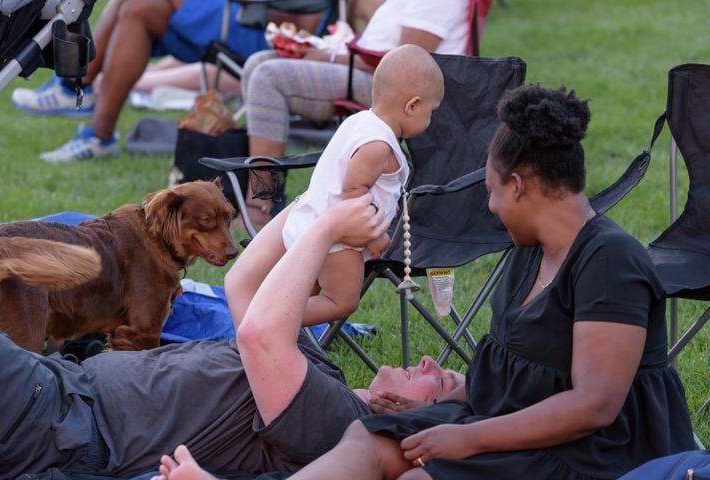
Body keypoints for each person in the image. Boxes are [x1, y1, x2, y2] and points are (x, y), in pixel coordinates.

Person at [154, 86, 697, 480]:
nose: (489, 205)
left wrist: (467, 436)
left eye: (492, 191)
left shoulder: (609, 259)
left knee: (422, 475)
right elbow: (523, 371)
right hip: (512, 424)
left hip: (597, 450)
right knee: (373, 438)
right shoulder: (528, 255)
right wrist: (456, 394)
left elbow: (594, 406)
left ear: (520, 185)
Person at [0, 194, 464, 480]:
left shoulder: (341, 421)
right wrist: (317, 200)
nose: (428, 360)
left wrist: (326, 230)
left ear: (414, 419)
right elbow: (243, 290)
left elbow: (260, 336)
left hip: (59, 423)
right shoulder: (325, 374)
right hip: (56, 389)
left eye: (441, 381)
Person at [226, 44, 443, 331]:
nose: (430, 120)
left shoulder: (359, 122)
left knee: (308, 290)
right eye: (431, 112)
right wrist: (375, 236)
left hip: (307, 220)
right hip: (339, 239)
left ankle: (275, 318)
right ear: (412, 105)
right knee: (341, 301)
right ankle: (271, 318)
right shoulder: (378, 146)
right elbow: (353, 192)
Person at [239, 0, 470, 223]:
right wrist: (320, 47)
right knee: (256, 63)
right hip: (369, 72)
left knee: (267, 77)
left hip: (390, 89)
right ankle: (268, 192)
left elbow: (406, 71)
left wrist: (328, 57)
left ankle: (260, 205)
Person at [10, 0, 325, 163]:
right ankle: (81, 95)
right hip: (247, 14)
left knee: (141, 6)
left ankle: (84, 102)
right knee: (134, 7)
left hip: (274, 30)